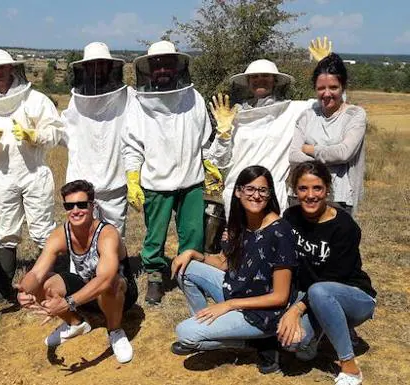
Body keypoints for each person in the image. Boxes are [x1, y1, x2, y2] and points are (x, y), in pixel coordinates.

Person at [170, 166, 297, 374]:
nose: (256, 195)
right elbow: (225, 262)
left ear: (270, 194)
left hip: (262, 312)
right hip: (237, 291)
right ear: (238, 192)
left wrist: (228, 305)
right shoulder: (240, 222)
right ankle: (208, 324)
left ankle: (257, 342)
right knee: (187, 269)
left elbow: (280, 297)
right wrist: (194, 254)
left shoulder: (280, 232)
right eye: (250, 189)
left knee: (185, 333)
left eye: (263, 191)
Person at [122, 40, 211, 304]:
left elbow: (203, 139)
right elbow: (132, 145)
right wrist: (132, 178)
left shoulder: (194, 98)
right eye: (157, 64)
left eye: (167, 64)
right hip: (156, 180)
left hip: (192, 179)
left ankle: (190, 275)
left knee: (193, 233)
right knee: (155, 235)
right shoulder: (137, 103)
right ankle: (155, 277)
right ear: (149, 69)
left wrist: (210, 164)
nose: (162, 69)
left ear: (176, 67)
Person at [0, 49, 64, 299]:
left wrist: (36, 136)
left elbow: (56, 132)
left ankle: (51, 284)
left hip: (36, 173)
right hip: (3, 176)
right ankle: (3, 288)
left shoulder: (35, 100)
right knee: (6, 232)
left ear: (12, 69)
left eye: (2, 67)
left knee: (43, 230)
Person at [15, 180, 138, 364]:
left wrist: (68, 302)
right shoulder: (61, 234)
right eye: (69, 205)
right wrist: (25, 291)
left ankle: (115, 330)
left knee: (112, 282)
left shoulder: (107, 233)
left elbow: (105, 279)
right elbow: (37, 273)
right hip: (85, 293)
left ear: (92, 206)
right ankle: (76, 324)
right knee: (44, 283)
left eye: (82, 204)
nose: (75, 210)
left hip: (119, 295)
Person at [278, 161, 376, 385]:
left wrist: (296, 309)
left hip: (353, 296)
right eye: (303, 188)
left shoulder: (345, 226)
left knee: (320, 291)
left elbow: (335, 277)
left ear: (327, 189)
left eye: (317, 188)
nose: (310, 195)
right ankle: (326, 330)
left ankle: (350, 366)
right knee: (293, 344)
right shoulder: (290, 217)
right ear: (295, 190)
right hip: (313, 295)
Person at [207, 59, 314, 214]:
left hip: (271, 194)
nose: (259, 80)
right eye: (254, 77)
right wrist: (223, 133)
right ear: (248, 82)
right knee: (239, 238)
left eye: (265, 76)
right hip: (238, 193)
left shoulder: (292, 110)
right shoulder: (234, 116)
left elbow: (331, 101)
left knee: (272, 238)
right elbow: (220, 161)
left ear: (275, 80)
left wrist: (326, 66)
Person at [61, 42, 130, 236]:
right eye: (92, 65)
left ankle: (115, 266)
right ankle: (81, 267)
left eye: (101, 64)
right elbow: (63, 132)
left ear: (110, 67)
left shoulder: (127, 96)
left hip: (115, 182)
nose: (97, 70)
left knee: (114, 234)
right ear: (84, 69)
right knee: (81, 233)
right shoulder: (75, 100)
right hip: (81, 183)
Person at [289, 53, 366, 215]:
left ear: (343, 87)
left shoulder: (354, 115)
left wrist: (310, 149)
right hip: (302, 196)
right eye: (321, 88)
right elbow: (294, 155)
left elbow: (344, 153)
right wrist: (330, 158)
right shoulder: (307, 116)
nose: (326, 94)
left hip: (339, 197)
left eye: (333, 87)